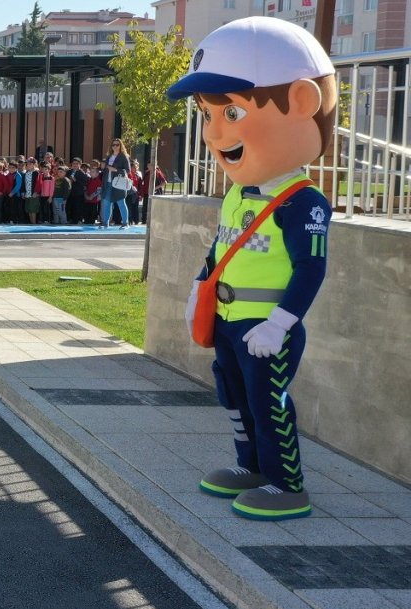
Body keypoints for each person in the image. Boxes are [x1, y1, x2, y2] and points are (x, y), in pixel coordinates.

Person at [170, 16, 337, 520]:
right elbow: (220, 250)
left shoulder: (301, 201)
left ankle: (288, 485)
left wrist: (280, 324)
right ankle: (252, 468)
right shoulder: (239, 194)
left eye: (234, 113)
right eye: (207, 114)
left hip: (267, 326)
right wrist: (201, 288)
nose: (215, 133)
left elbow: (311, 269)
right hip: (227, 319)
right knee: (234, 398)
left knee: (269, 404)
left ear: (302, 104)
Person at [101, 139, 131, 229]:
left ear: (120, 146)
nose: (115, 146)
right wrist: (103, 168)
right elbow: (106, 169)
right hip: (108, 182)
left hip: (118, 183)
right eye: (113, 145)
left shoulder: (123, 156)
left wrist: (115, 170)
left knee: (121, 202)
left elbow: (128, 170)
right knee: (106, 203)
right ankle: (105, 223)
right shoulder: (109, 156)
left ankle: (125, 223)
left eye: (117, 145)